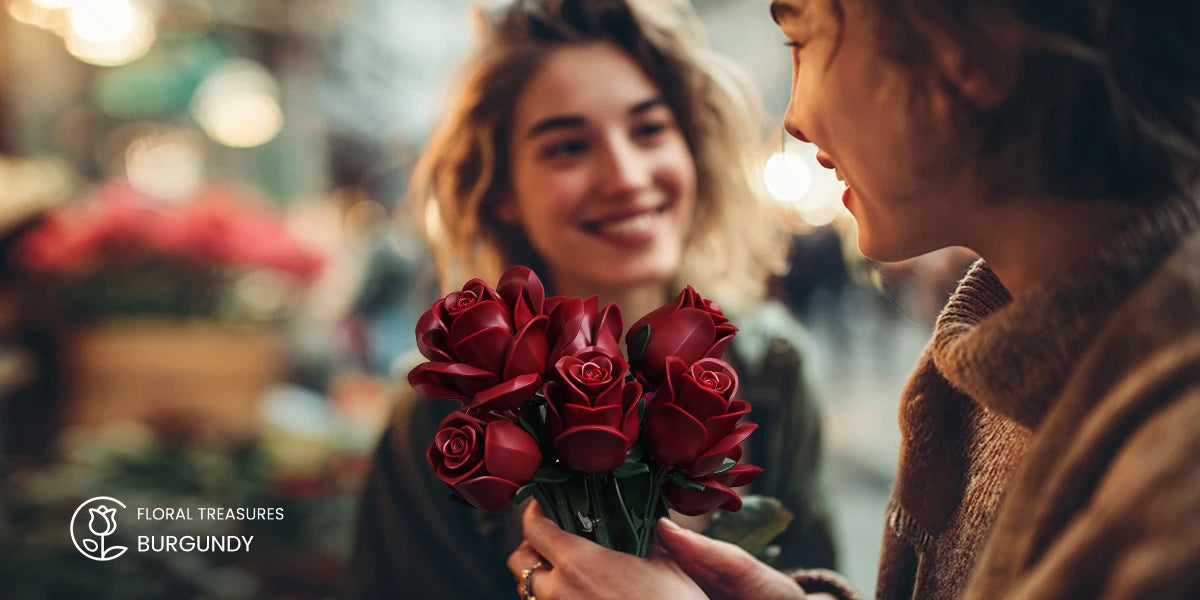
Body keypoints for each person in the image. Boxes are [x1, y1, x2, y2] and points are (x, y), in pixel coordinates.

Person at [506, 0, 1200, 598]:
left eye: (801, 41)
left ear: (968, 51)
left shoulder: (1173, 440)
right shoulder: (998, 355)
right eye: (566, 147)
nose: (795, 120)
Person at [348, 1, 840, 598]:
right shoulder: (431, 421)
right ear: (503, 189)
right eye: (567, 148)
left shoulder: (776, 370)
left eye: (650, 129)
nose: (627, 176)